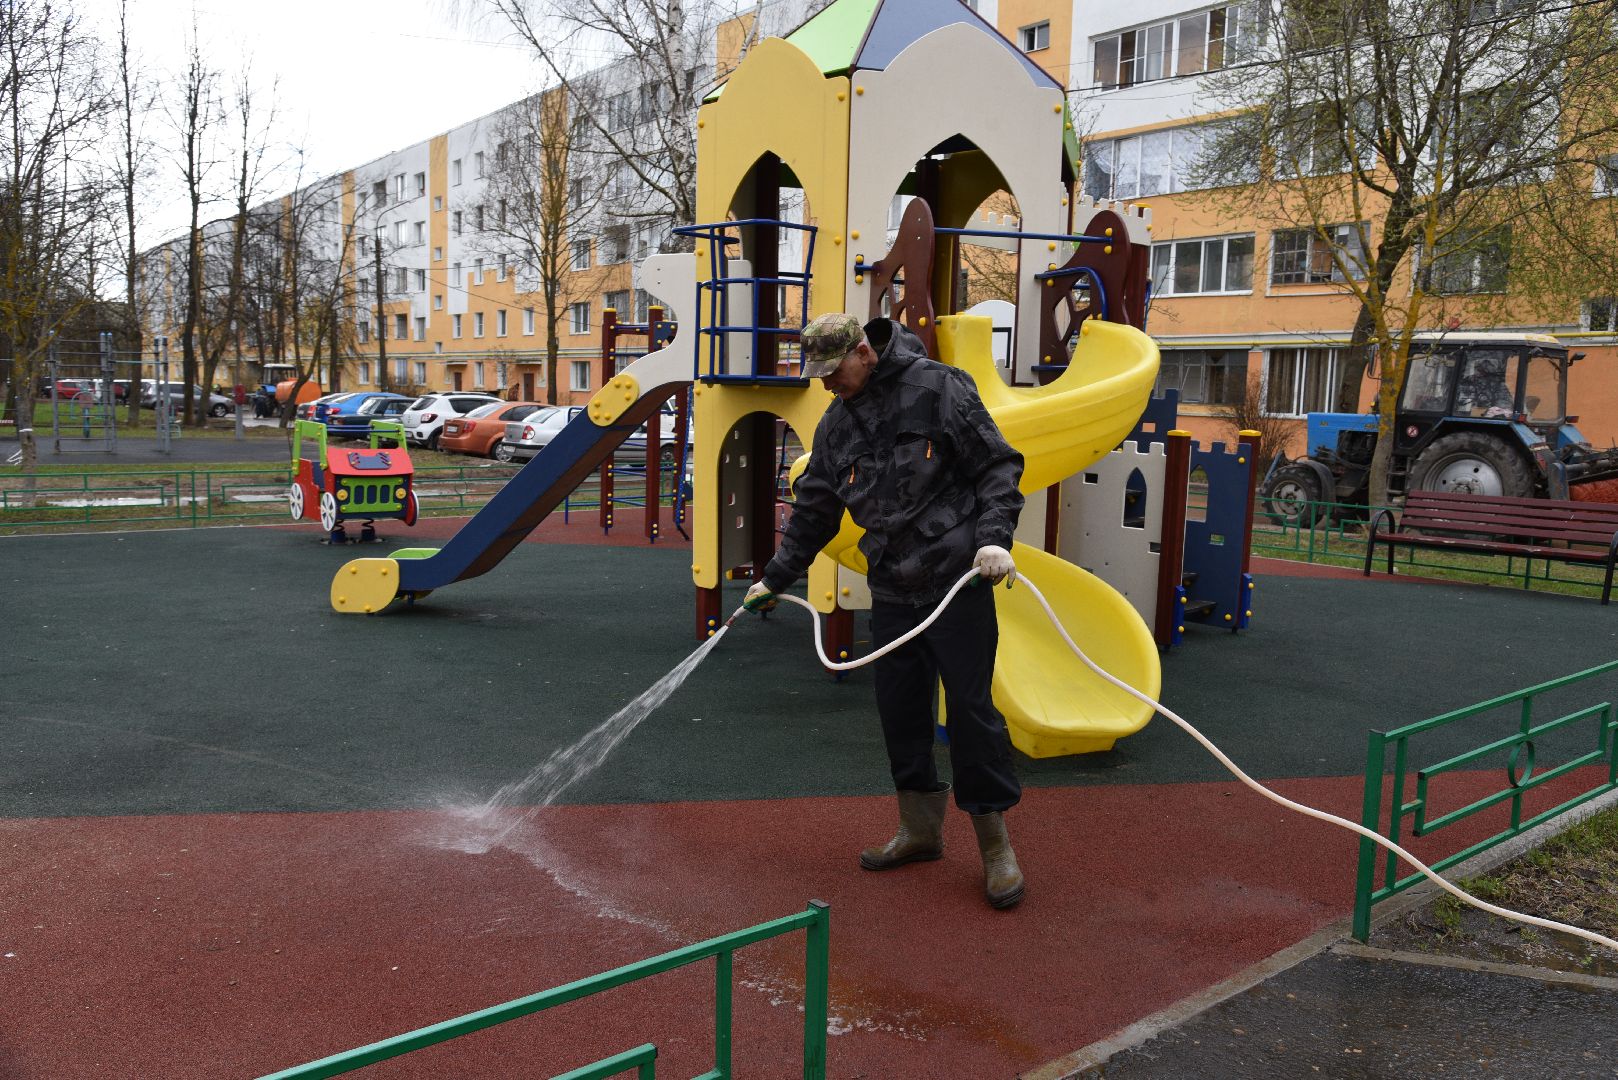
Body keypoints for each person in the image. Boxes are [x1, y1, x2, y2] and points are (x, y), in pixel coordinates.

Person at [743, 313, 1028, 909]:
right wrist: (772, 579)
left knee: (972, 715)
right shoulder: (835, 427)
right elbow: (816, 508)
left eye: (832, 370)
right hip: (894, 587)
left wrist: (995, 537)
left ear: (865, 353)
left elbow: (998, 465)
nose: (825, 384)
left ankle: (996, 847)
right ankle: (921, 831)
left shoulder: (939, 388)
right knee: (900, 711)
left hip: (958, 580)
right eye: (816, 374)